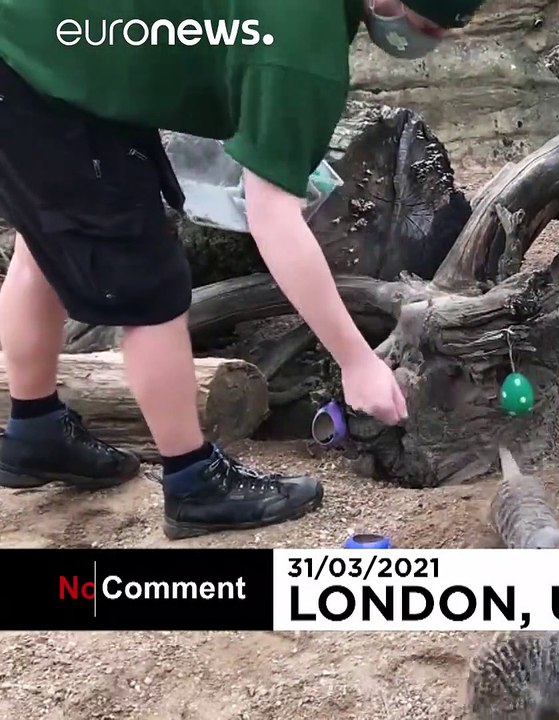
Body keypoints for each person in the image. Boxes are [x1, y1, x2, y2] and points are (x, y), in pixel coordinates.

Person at [0, 0, 486, 539]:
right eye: (430, 25)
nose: (432, 39)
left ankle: (35, 432)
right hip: (37, 73)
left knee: (39, 242)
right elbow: (271, 215)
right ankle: (193, 482)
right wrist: (355, 361)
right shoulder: (303, 48)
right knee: (151, 288)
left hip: (41, 49)